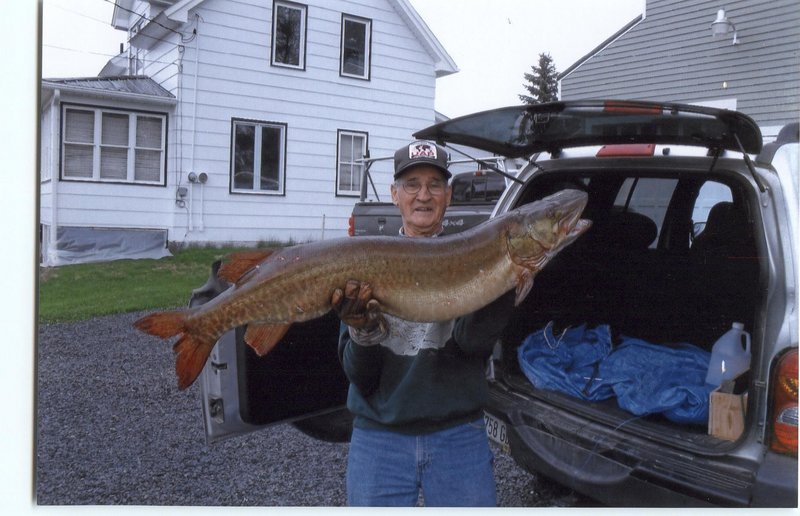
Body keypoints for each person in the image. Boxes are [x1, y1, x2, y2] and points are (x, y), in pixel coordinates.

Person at [331, 140, 514, 507]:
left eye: (434, 184)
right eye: (412, 184)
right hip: (380, 437)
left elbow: (471, 345)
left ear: (448, 195)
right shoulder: (366, 260)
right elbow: (360, 376)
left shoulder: (473, 254)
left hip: (458, 434)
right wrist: (362, 330)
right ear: (395, 194)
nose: (423, 195)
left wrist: (506, 281)